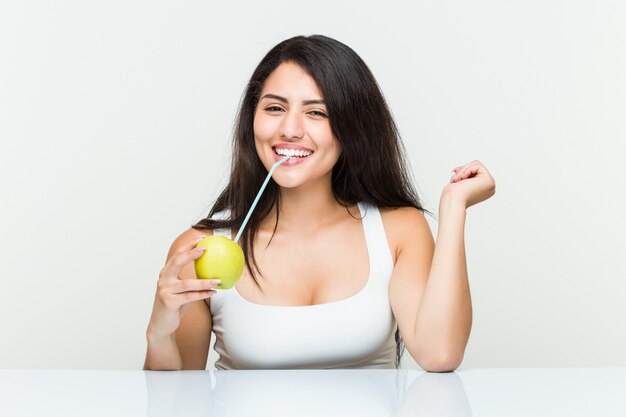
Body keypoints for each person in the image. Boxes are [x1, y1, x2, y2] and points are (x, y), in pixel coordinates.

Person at [144, 34, 495, 372]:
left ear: (351, 128)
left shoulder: (398, 231)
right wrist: (158, 334)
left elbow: (440, 354)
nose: (290, 129)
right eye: (275, 108)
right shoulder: (198, 250)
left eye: (317, 113)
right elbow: (176, 402)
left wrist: (453, 208)